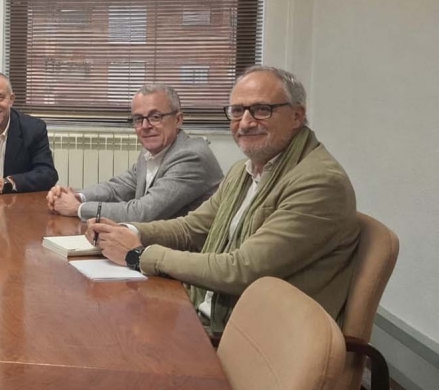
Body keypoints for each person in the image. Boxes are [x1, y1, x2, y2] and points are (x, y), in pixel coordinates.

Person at [88, 66, 360, 333]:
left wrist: (139, 255)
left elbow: (241, 269)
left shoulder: (319, 182)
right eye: (237, 111)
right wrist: (125, 231)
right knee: (106, 319)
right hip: (212, 312)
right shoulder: (245, 170)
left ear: (297, 115)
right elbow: (191, 228)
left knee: (113, 334)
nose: (246, 123)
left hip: (258, 338)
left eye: (261, 110)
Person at [45, 84, 223, 222]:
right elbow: (117, 188)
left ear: (178, 120)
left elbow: (143, 213)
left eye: (155, 117)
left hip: (186, 252)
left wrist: (77, 208)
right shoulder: (152, 152)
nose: (145, 126)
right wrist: (77, 196)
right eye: (138, 119)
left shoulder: (191, 157)